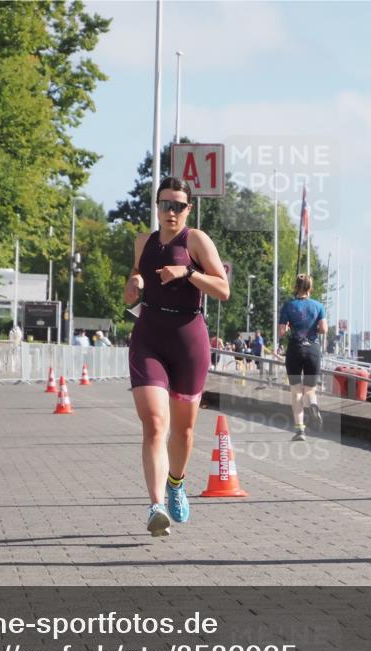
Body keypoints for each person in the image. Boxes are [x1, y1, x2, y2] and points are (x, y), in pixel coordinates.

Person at [124, 177, 230, 537]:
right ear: (156, 206)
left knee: (183, 431)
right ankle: (156, 507)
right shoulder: (144, 242)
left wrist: (188, 272)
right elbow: (129, 293)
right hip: (149, 336)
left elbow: (223, 289)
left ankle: (176, 483)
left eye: (179, 206)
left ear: (188, 209)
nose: (171, 212)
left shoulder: (196, 240)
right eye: (165, 204)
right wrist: (134, 283)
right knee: (155, 423)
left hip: (188, 340)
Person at [278, 274, 328, 441]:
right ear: (310, 288)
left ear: (296, 287)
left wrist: (290, 326)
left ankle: (300, 430)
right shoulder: (319, 306)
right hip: (313, 349)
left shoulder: (288, 306)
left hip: (295, 349)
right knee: (310, 389)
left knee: (296, 391)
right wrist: (314, 329)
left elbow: (282, 332)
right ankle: (313, 404)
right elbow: (324, 329)